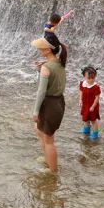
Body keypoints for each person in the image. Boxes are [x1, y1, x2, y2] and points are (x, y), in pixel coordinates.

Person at [31, 35, 67, 173]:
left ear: (48, 50)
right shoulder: (60, 62)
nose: (39, 49)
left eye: (41, 47)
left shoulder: (46, 67)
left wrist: (35, 112)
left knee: (49, 140)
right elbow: (54, 78)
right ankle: (48, 160)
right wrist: (40, 69)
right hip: (59, 103)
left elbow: (41, 92)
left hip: (49, 105)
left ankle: (53, 172)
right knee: (39, 130)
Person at [80, 66, 101, 140]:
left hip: (93, 106)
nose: (91, 80)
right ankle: (86, 130)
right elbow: (81, 91)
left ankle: (95, 134)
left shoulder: (96, 87)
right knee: (85, 118)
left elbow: (97, 98)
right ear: (84, 77)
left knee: (93, 120)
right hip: (85, 104)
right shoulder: (83, 84)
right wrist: (80, 100)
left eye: (93, 78)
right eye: (89, 78)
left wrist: (93, 106)